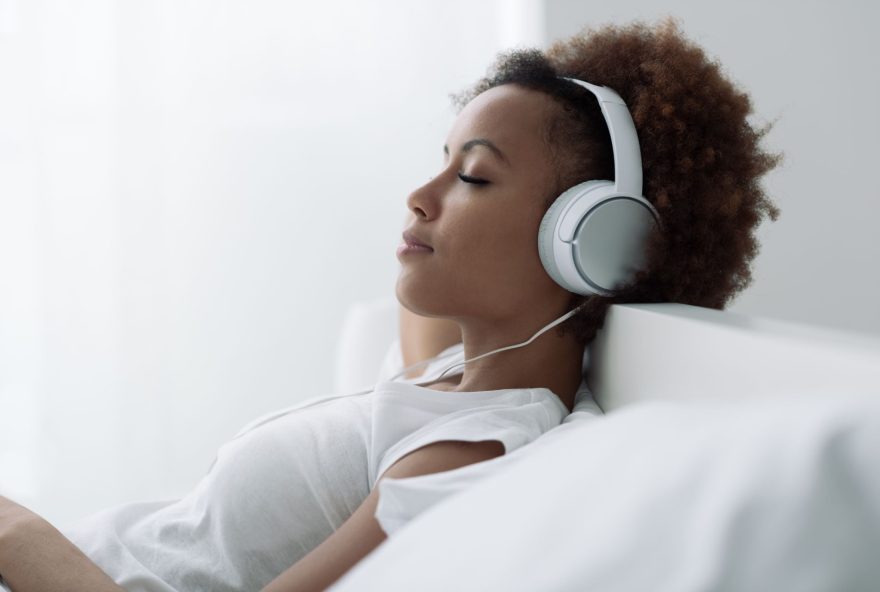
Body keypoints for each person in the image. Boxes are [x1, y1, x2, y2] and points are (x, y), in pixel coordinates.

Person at [0, 16, 781, 592]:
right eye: (440, 162)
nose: (419, 194)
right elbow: (418, 314)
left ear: (588, 242)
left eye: (473, 177)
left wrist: (16, 531)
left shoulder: (471, 450)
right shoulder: (459, 376)